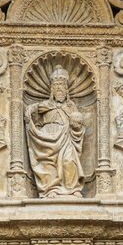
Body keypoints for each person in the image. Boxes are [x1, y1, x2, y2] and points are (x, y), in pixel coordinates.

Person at [24, 65, 85, 197]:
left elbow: (78, 123)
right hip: (47, 137)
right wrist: (30, 110)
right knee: (47, 165)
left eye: (62, 88)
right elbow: (32, 114)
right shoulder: (44, 105)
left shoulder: (71, 106)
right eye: (56, 88)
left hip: (65, 137)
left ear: (66, 91)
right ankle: (50, 189)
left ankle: (72, 188)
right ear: (52, 91)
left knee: (69, 161)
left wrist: (76, 125)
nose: (59, 91)